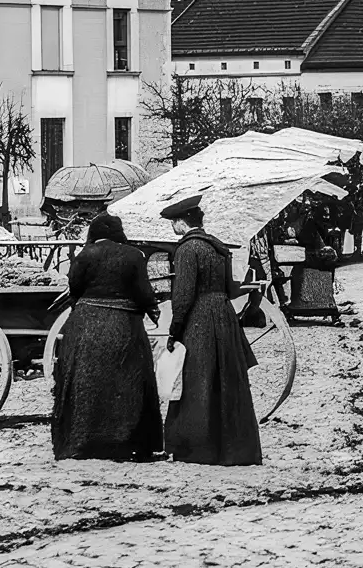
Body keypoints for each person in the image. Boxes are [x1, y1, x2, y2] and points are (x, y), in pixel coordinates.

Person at [160, 196, 262, 465]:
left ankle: (198, 449)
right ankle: (234, 447)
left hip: (200, 318)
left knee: (197, 381)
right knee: (227, 380)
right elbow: (229, 287)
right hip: (224, 314)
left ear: (182, 223)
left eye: (173, 223)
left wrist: (175, 329)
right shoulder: (218, 247)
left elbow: (183, 296)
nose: (172, 227)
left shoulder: (186, 249)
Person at [52, 214, 162, 461]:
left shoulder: (85, 255)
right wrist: (152, 311)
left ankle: (83, 441)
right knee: (128, 383)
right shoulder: (134, 256)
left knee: (85, 383)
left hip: (87, 326)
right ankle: (127, 441)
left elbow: (75, 288)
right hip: (125, 327)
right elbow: (143, 292)